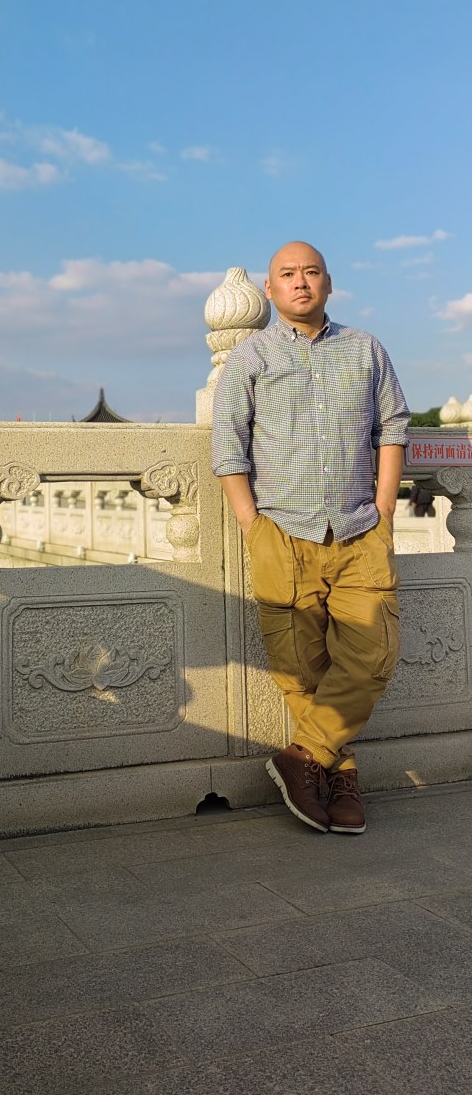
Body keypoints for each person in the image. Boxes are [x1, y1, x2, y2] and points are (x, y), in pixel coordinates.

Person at [211, 241, 410, 834]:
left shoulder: (365, 348)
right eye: (288, 274)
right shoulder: (250, 356)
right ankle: (340, 773)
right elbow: (228, 442)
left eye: (311, 272)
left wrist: (384, 509)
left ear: (328, 283)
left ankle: (301, 757)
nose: (300, 281)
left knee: (374, 655)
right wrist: (252, 523)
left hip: (358, 529)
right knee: (300, 671)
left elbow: (393, 426)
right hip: (282, 532)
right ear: (269, 290)